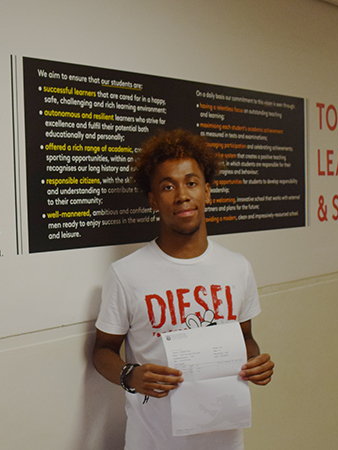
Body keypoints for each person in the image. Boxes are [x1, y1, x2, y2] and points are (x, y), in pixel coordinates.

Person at [92, 129, 274, 450]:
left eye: (191, 182)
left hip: (224, 439)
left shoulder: (237, 267)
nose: (181, 195)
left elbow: (245, 338)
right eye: (167, 186)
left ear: (207, 191)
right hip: (154, 441)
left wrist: (256, 362)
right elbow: (102, 351)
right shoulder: (126, 274)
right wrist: (129, 376)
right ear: (153, 200)